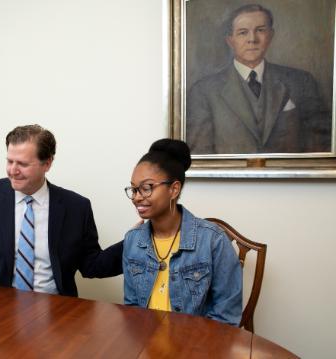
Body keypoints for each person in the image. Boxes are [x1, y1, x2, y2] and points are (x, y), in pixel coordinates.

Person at [0, 125, 122, 296]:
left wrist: (135, 242)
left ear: (47, 163)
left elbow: (91, 265)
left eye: (23, 164)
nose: (13, 171)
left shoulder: (76, 207)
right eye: (10, 161)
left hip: (55, 309)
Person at [122, 139, 242, 326]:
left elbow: (226, 318)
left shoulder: (213, 240)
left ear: (174, 189)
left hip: (195, 347)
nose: (137, 197)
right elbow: (132, 308)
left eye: (146, 188)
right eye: (134, 189)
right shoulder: (132, 240)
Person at [187, 3, 331, 154]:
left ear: (271, 35)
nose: (252, 39)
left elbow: (320, 144)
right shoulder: (204, 91)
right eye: (243, 32)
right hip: (230, 177)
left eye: (260, 30)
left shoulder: (301, 81)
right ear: (230, 40)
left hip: (289, 176)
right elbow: (200, 154)